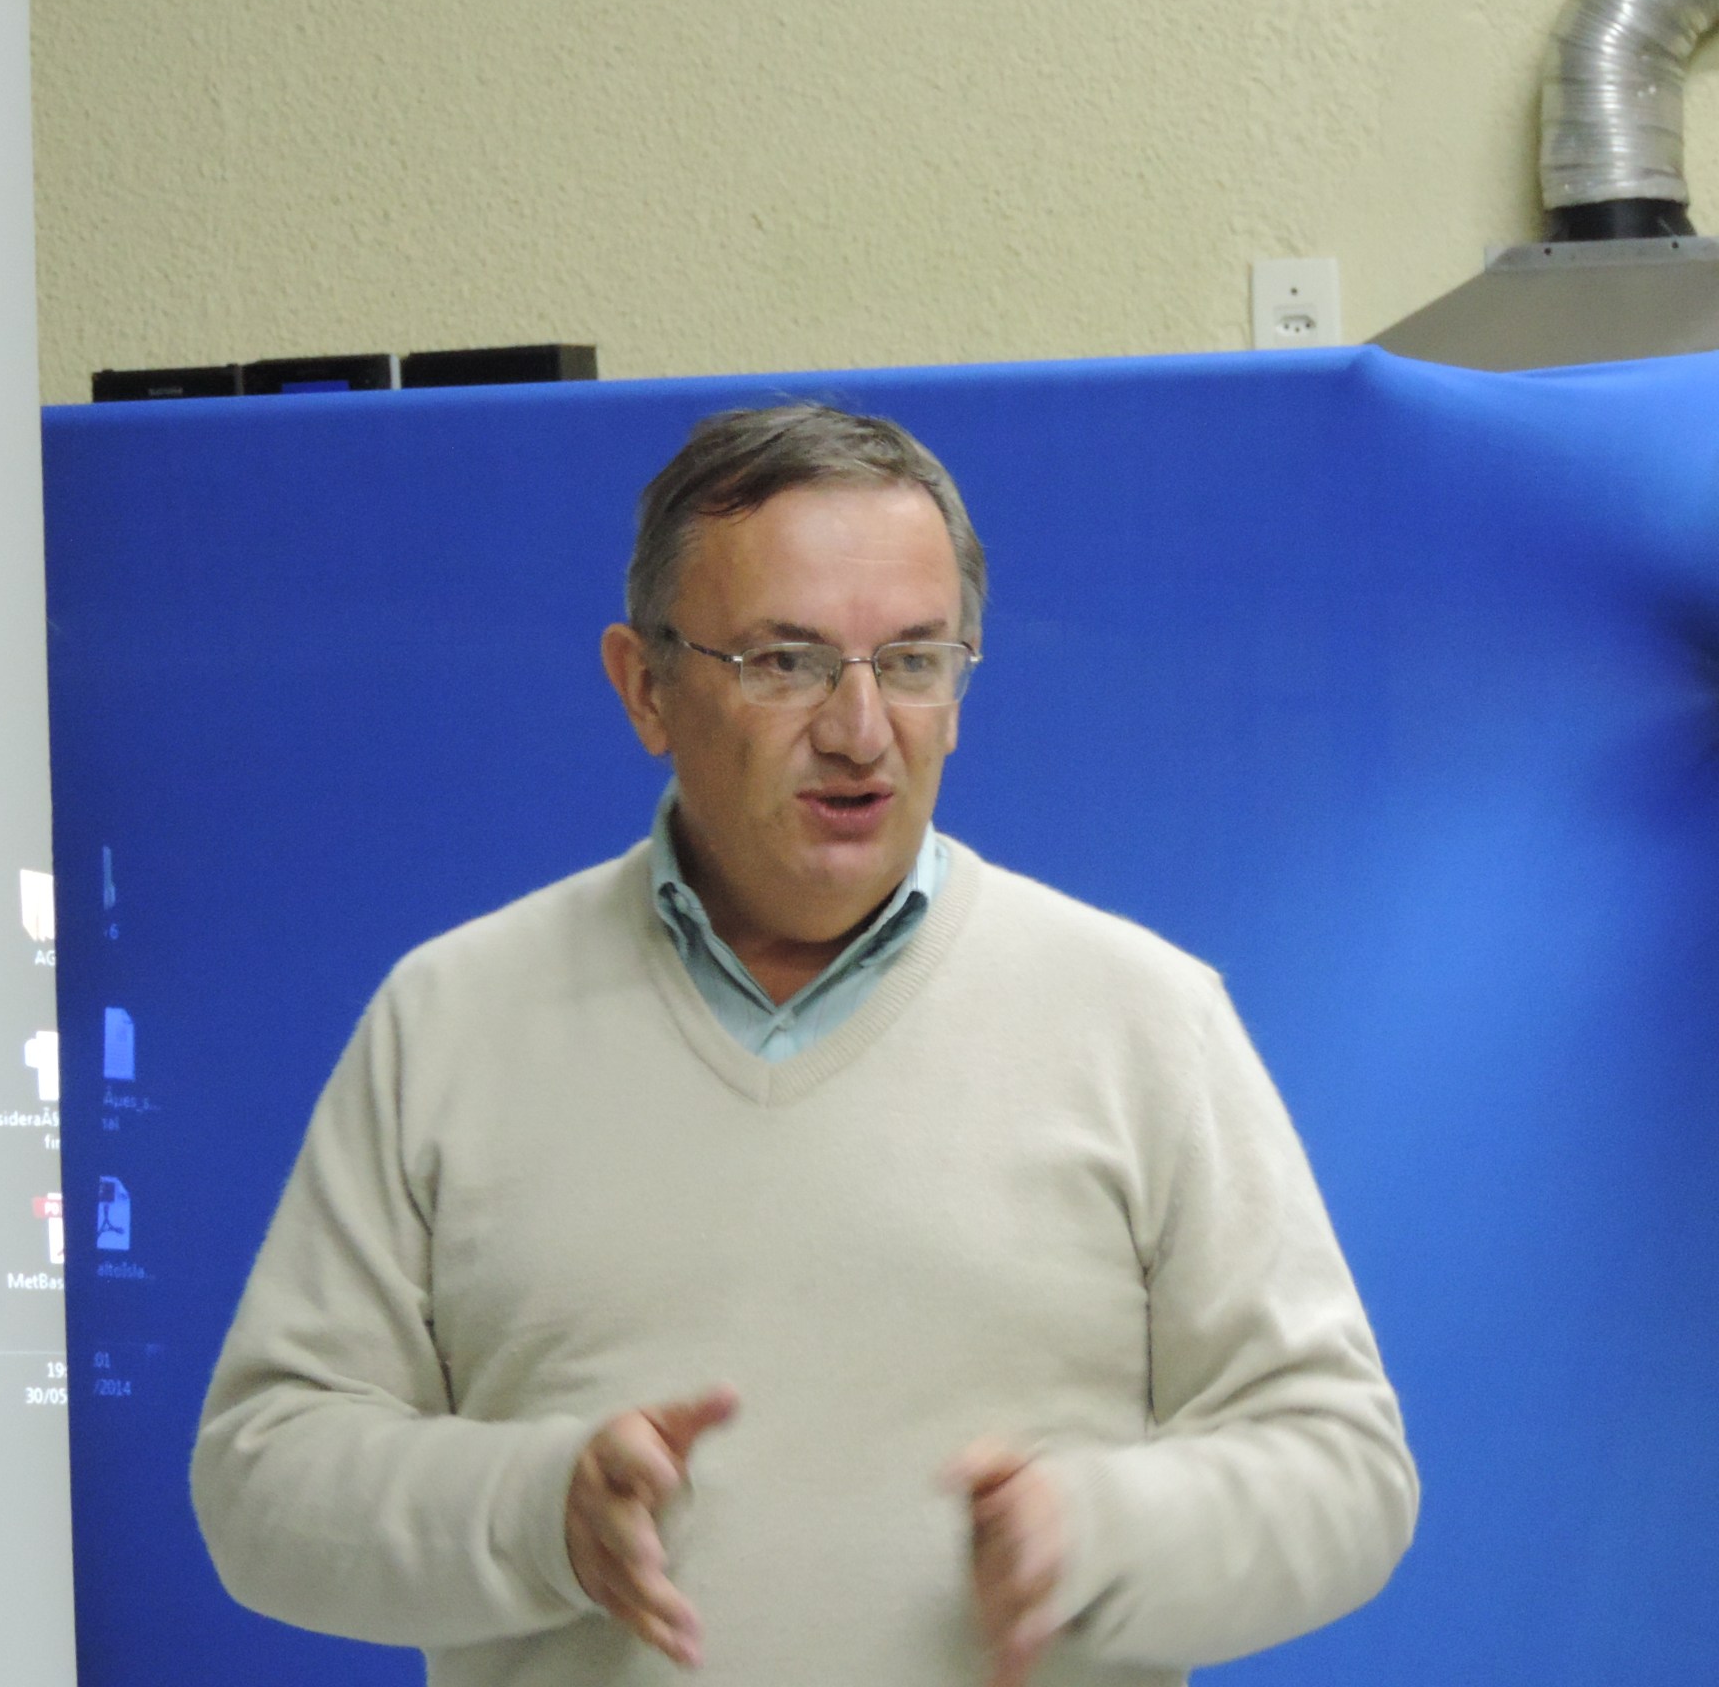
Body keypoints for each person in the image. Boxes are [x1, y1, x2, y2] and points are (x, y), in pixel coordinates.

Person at [191, 404, 1417, 1687]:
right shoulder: (448, 1016)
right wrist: (538, 1512)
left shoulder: (1144, 1014)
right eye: (785, 660)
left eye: (914, 659)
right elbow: (263, 1477)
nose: (859, 727)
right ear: (644, 685)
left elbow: (1343, 1471)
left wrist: (1104, 1533)